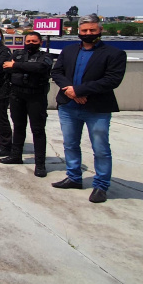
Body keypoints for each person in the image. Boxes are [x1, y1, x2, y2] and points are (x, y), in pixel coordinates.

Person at [50, 14, 127, 203]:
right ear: (79, 31)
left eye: (92, 30)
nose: (88, 33)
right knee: (70, 144)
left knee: (100, 148)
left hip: (97, 109)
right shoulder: (68, 51)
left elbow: (111, 80)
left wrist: (79, 91)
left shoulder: (114, 54)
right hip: (68, 106)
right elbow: (57, 72)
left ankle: (101, 185)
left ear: (100, 30)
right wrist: (70, 91)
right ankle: (74, 177)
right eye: (84, 30)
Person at [0, 31, 54, 177]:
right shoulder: (17, 54)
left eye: (34, 41)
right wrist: (22, 66)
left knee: (37, 130)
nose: (30, 43)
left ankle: (40, 164)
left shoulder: (46, 56)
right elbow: (6, 67)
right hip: (17, 94)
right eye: (28, 41)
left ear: (40, 42)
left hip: (36, 96)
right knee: (18, 126)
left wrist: (16, 65)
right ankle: (16, 155)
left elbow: (40, 68)